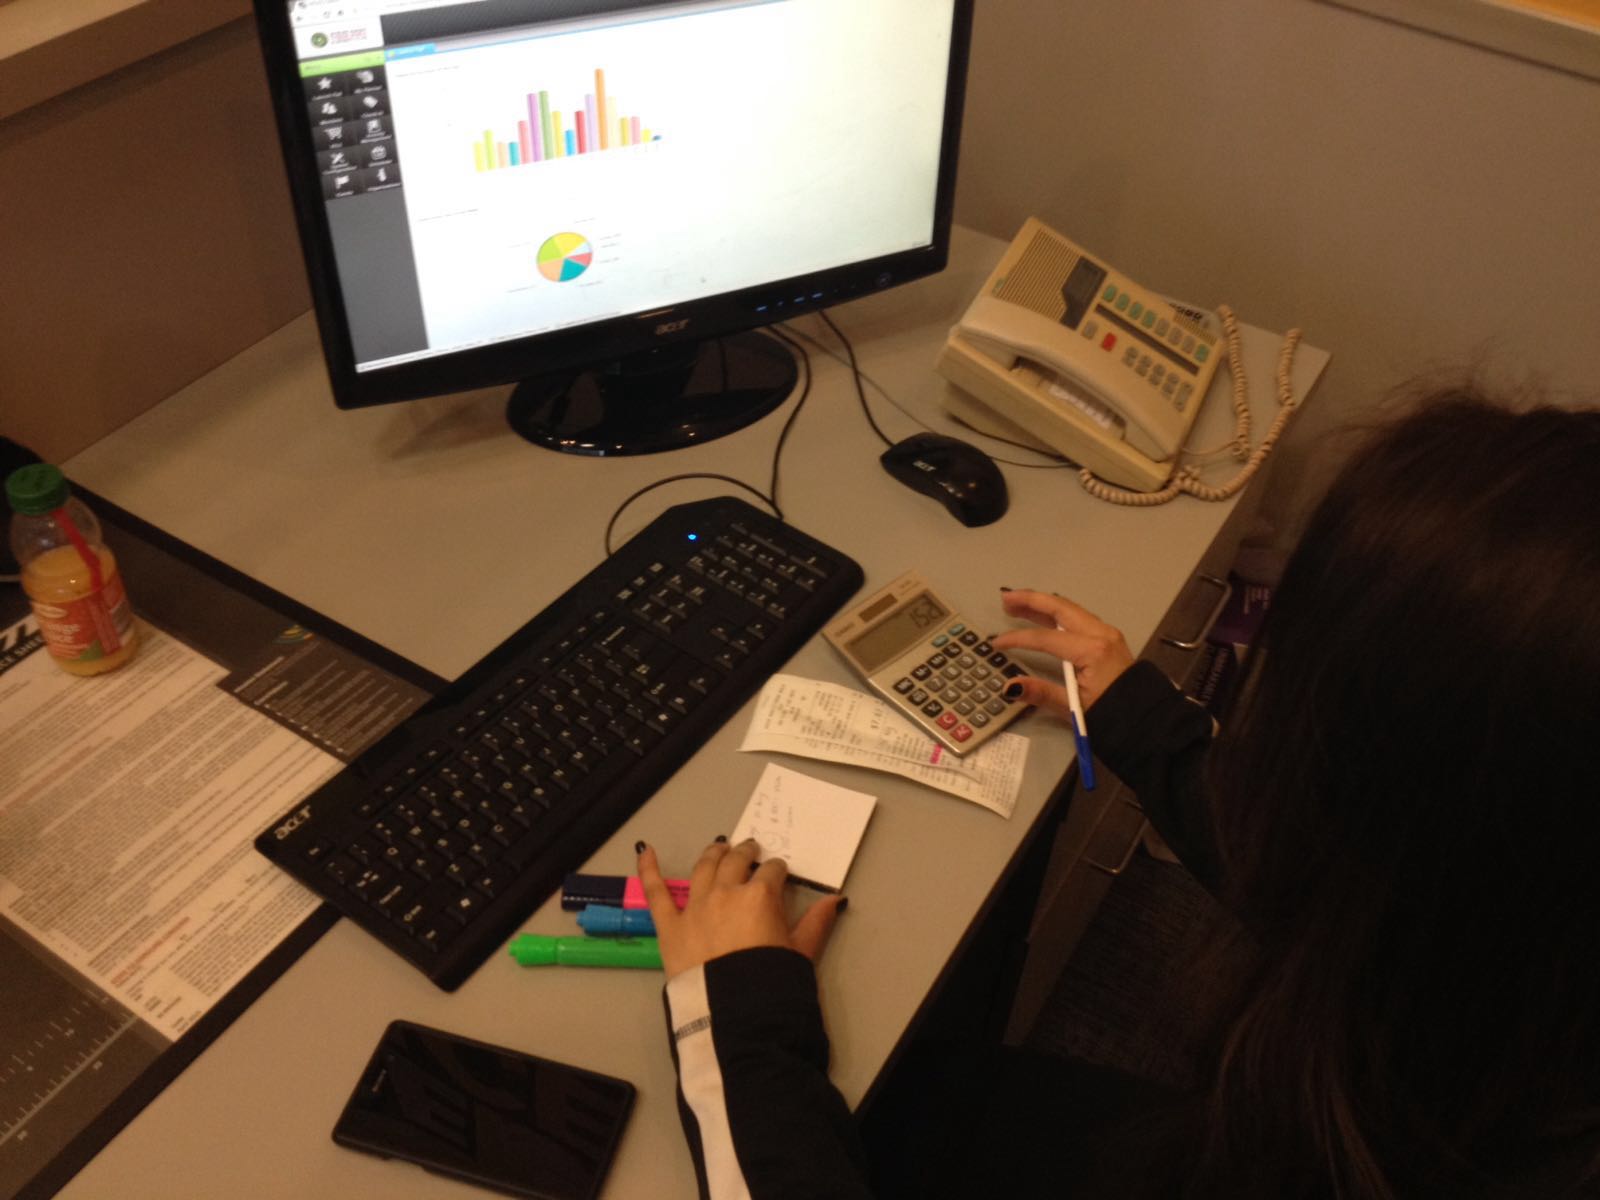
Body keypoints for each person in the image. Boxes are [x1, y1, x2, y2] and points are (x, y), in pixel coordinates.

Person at [635, 389, 1600, 1199]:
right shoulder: (1525, 945)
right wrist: (1145, 722)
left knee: (897, 1108)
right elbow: (1356, 858)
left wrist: (738, 1032)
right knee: (934, 1088)